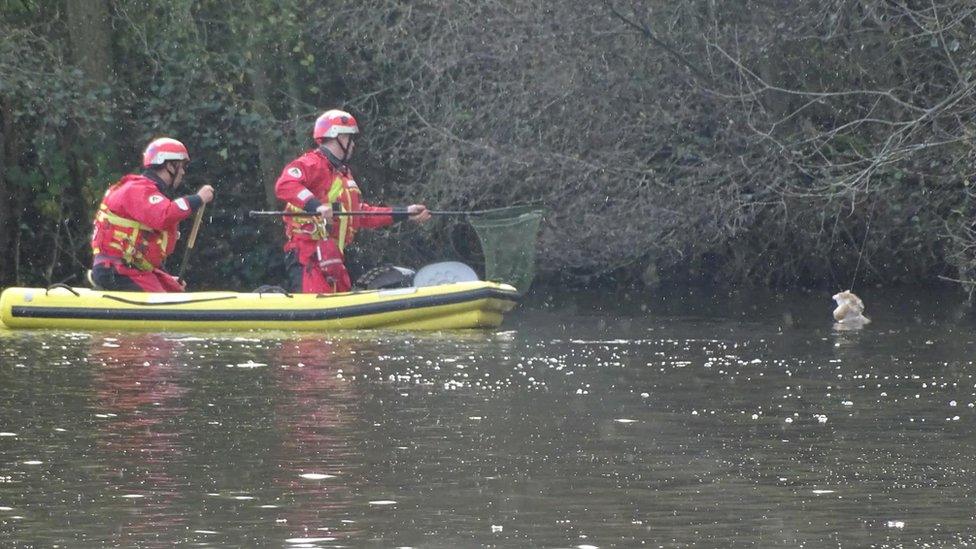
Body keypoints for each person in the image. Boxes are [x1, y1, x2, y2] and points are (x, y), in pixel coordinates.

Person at [274, 109, 431, 293]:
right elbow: (284, 185)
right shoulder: (312, 163)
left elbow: (362, 214)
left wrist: (404, 213)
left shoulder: (343, 174)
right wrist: (316, 206)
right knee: (319, 306)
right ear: (336, 136)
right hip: (308, 256)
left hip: (332, 258)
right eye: (350, 138)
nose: (353, 144)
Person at [90, 137, 215, 292]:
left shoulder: (146, 191)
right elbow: (165, 215)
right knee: (167, 306)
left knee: (174, 289)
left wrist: (167, 279)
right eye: (181, 166)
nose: (183, 172)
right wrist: (198, 199)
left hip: (131, 269)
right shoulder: (137, 189)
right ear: (169, 165)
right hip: (118, 271)